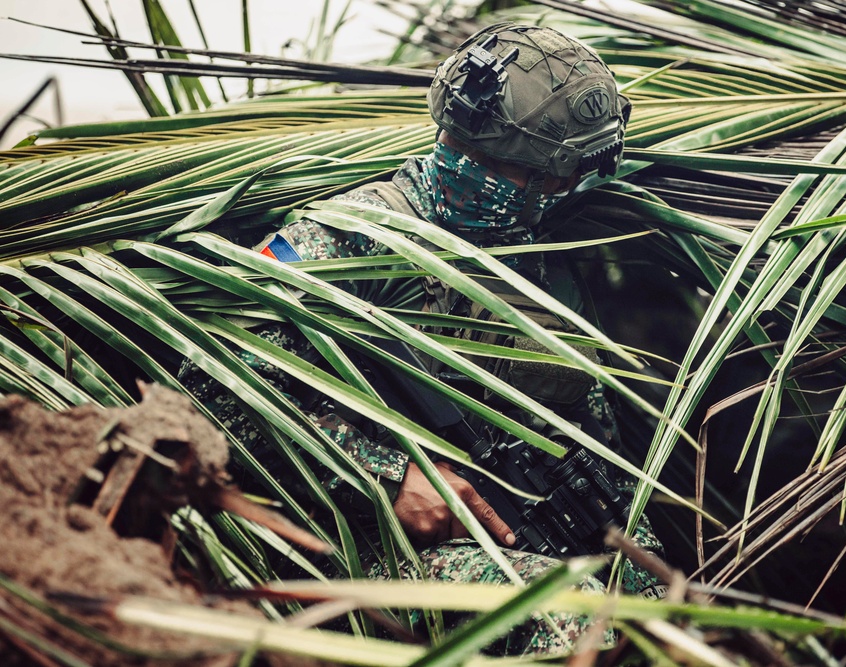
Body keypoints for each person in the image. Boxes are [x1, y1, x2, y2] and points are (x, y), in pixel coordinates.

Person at [181, 22, 665, 656]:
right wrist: (389, 475)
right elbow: (211, 385)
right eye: (541, 177)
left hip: (546, 523)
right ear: (480, 152)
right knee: (571, 625)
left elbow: (581, 418)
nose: (556, 194)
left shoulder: (537, 245)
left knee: (662, 615)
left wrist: (633, 542)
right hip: (371, 546)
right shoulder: (351, 241)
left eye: (562, 179)